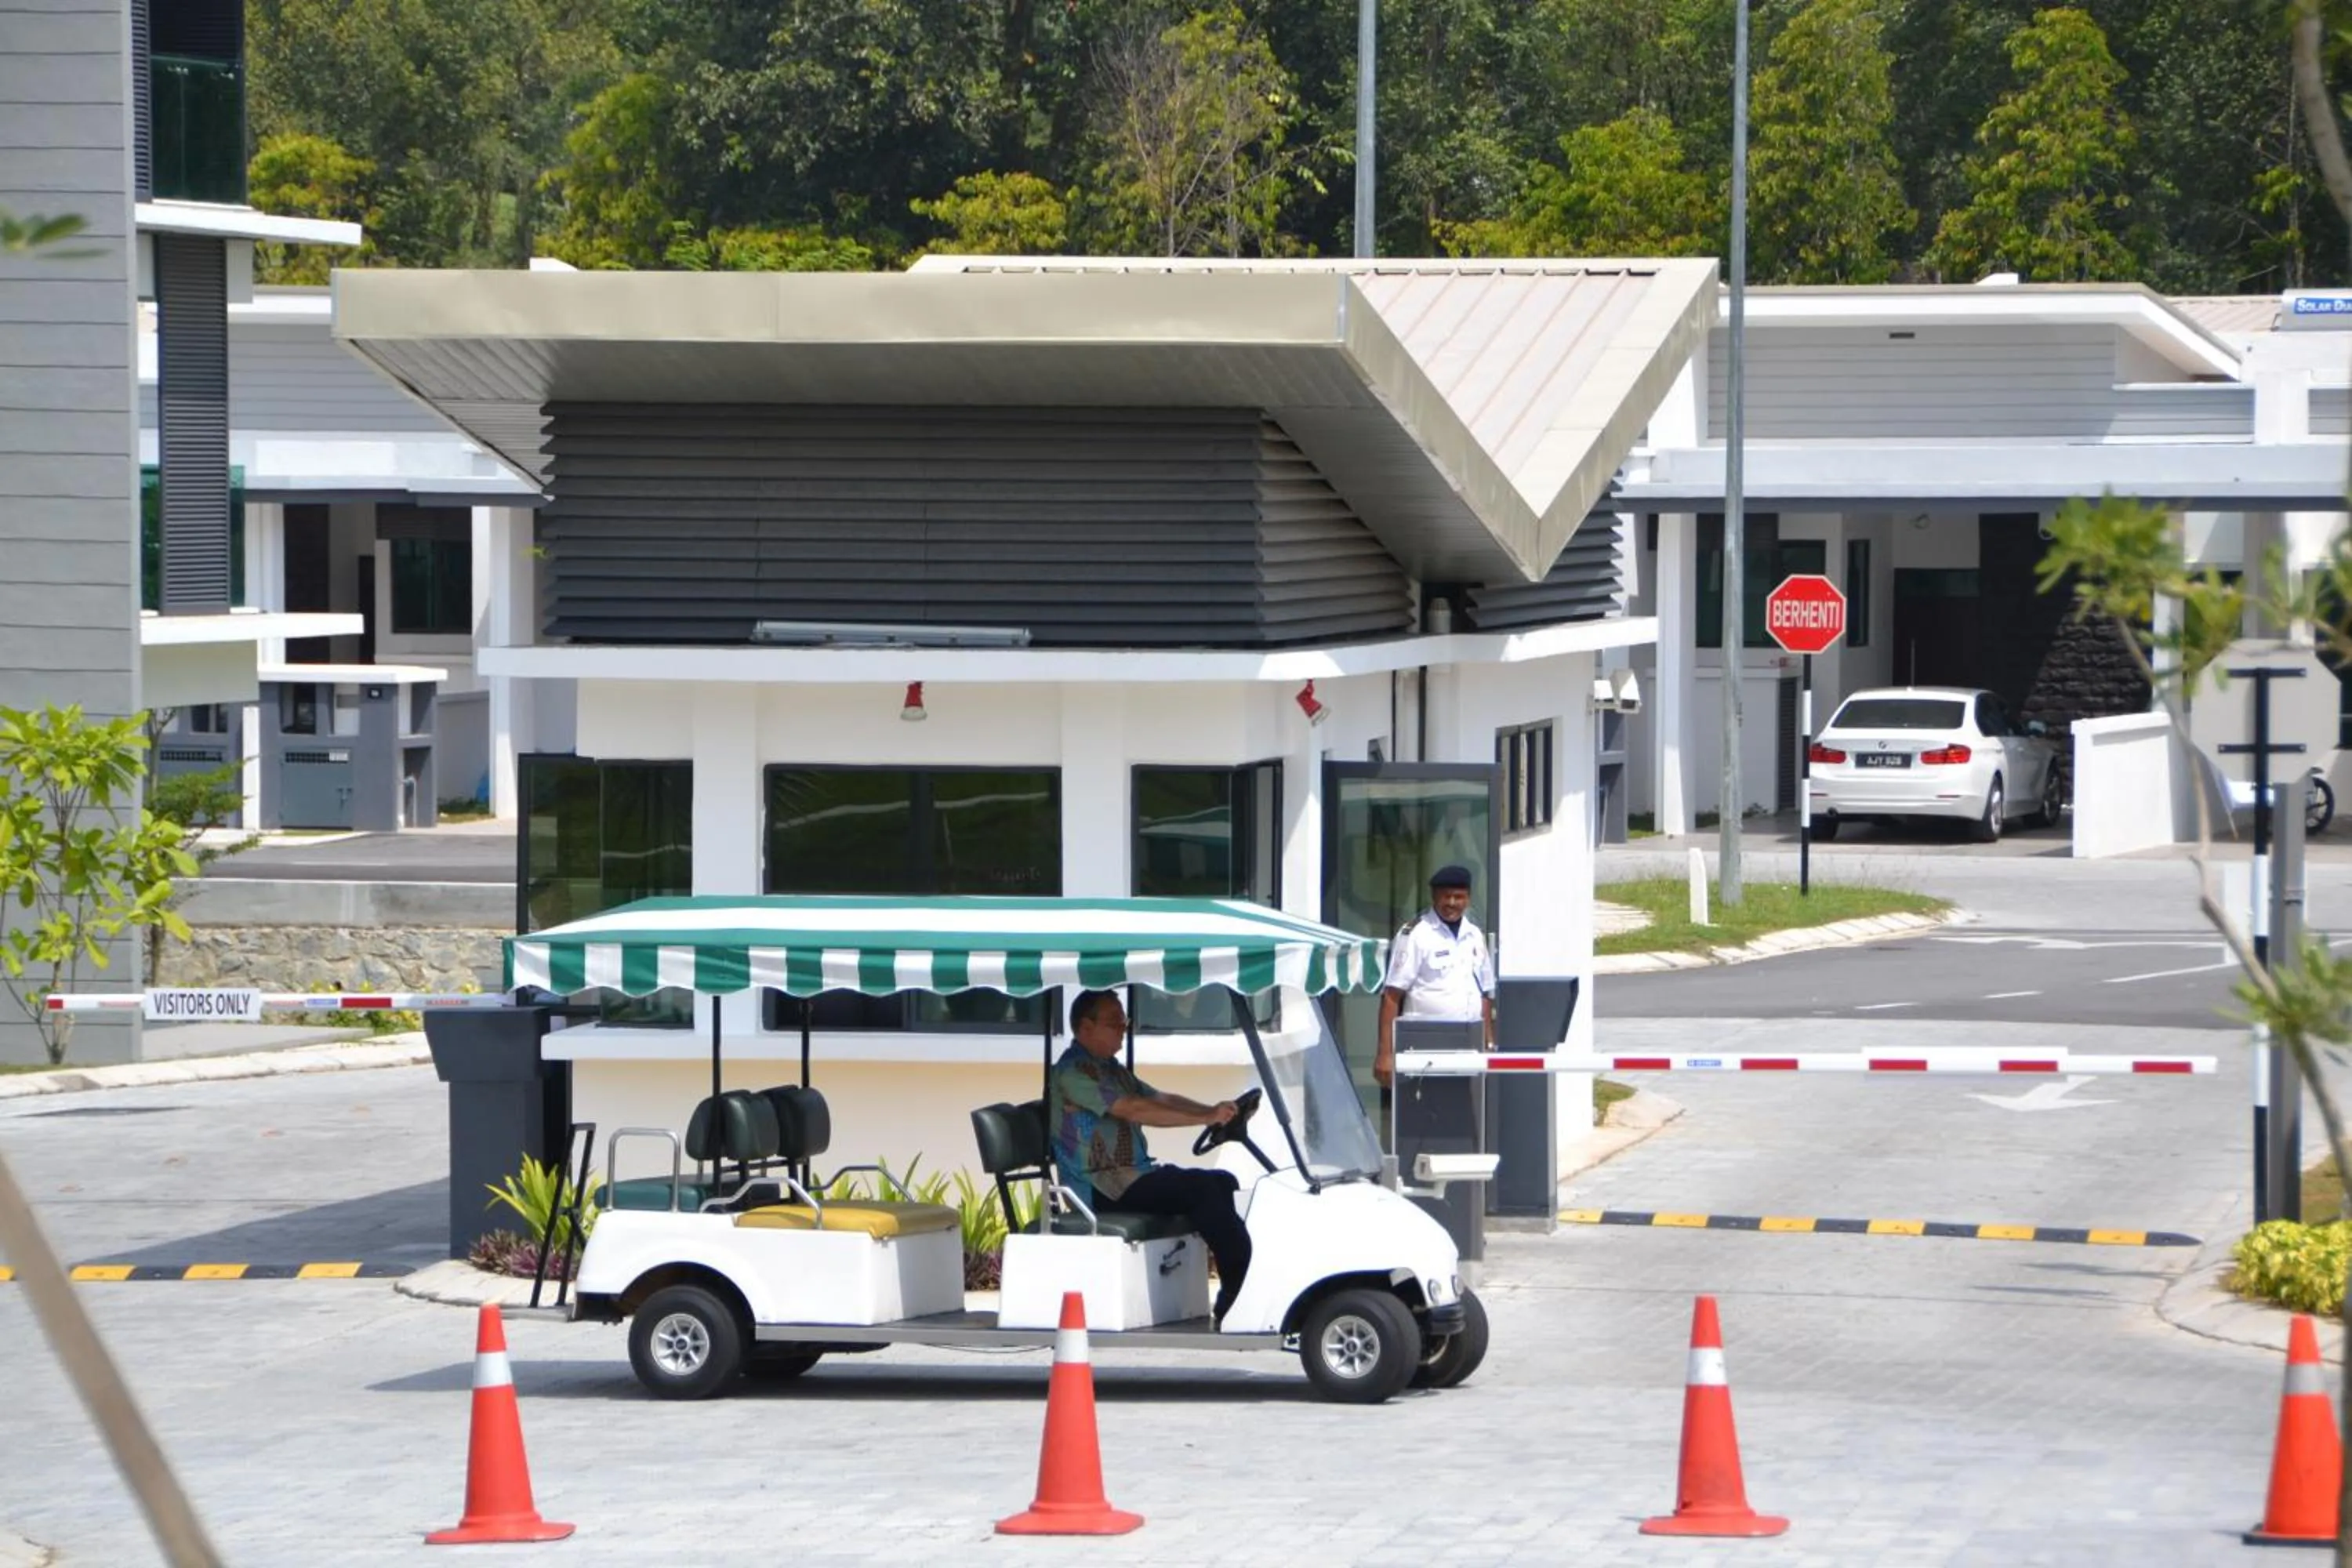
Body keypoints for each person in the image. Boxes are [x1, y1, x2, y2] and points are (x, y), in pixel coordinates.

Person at [1051, 989, 1254, 1322]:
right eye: (1115, 1023)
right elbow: (1133, 1108)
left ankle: (1236, 1284)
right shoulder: (1073, 1073)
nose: (1123, 1029)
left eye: (1124, 1021)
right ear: (1085, 1028)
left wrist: (1214, 1110)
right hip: (1098, 1188)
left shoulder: (1111, 1070)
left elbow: (1160, 1098)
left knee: (1222, 1181)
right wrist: (1206, 1118)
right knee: (1200, 1190)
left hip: (1130, 1175)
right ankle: (1237, 1293)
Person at [1374, 862, 1496, 1091]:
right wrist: (1385, 1054)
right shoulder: (1416, 934)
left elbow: (1485, 993)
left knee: (1465, 1120)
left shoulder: (1474, 935)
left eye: (1458, 897)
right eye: (1446, 896)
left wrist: (1488, 1042)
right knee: (1425, 1119)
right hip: (1424, 1048)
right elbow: (1391, 996)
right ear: (1434, 896)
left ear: (1468, 899)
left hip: (1467, 1046)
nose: (1451, 903)